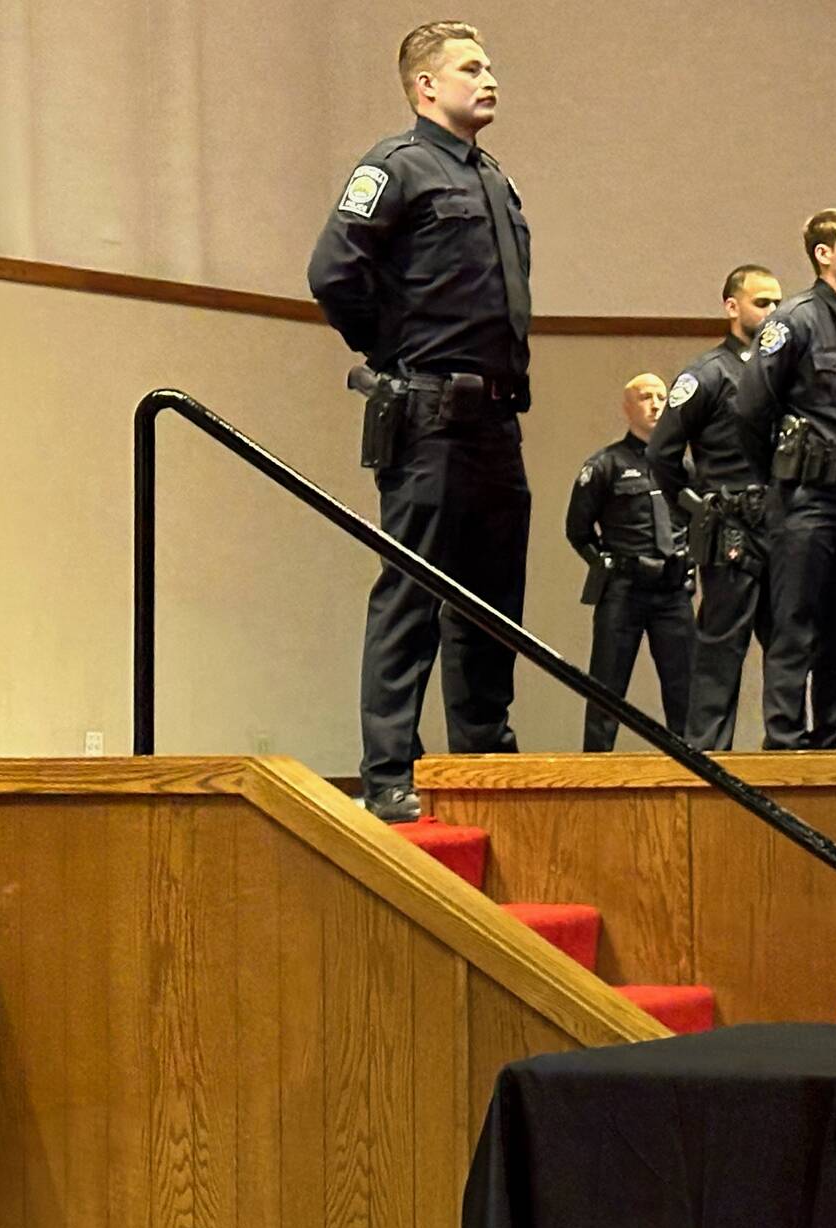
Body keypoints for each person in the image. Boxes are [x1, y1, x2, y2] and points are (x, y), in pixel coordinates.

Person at [309, 20, 532, 823]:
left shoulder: (495, 179)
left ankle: (481, 760)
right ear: (425, 86)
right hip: (430, 418)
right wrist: (392, 351)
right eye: (471, 66)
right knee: (411, 595)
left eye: (490, 61)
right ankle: (389, 775)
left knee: (492, 606)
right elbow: (333, 272)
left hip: (497, 424)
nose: (489, 75)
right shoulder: (396, 166)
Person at [734, 209, 836, 750]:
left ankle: (833, 743)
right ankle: (784, 744)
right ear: (823, 253)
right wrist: (776, 478)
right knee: (794, 628)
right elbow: (750, 408)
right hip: (805, 499)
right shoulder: (792, 320)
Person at [647, 264, 785, 749]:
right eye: (761, 302)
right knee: (721, 647)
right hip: (731, 526)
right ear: (732, 307)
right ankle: (707, 756)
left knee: (788, 646)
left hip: (782, 523)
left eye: (777, 304)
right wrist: (695, 508)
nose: (772, 313)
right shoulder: (708, 373)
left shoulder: (783, 373)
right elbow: (661, 453)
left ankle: (787, 756)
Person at [566, 374, 695, 747]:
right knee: (606, 690)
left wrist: (692, 566)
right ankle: (597, 777)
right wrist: (604, 564)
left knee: (685, 694)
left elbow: (700, 520)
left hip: (672, 593)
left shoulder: (682, 468)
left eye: (661, 396)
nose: (655, 404)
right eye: (644, 397)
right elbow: (577, 529)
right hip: (624, 591)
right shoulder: (605, 465)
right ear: (627, 408)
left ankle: (693, 778)